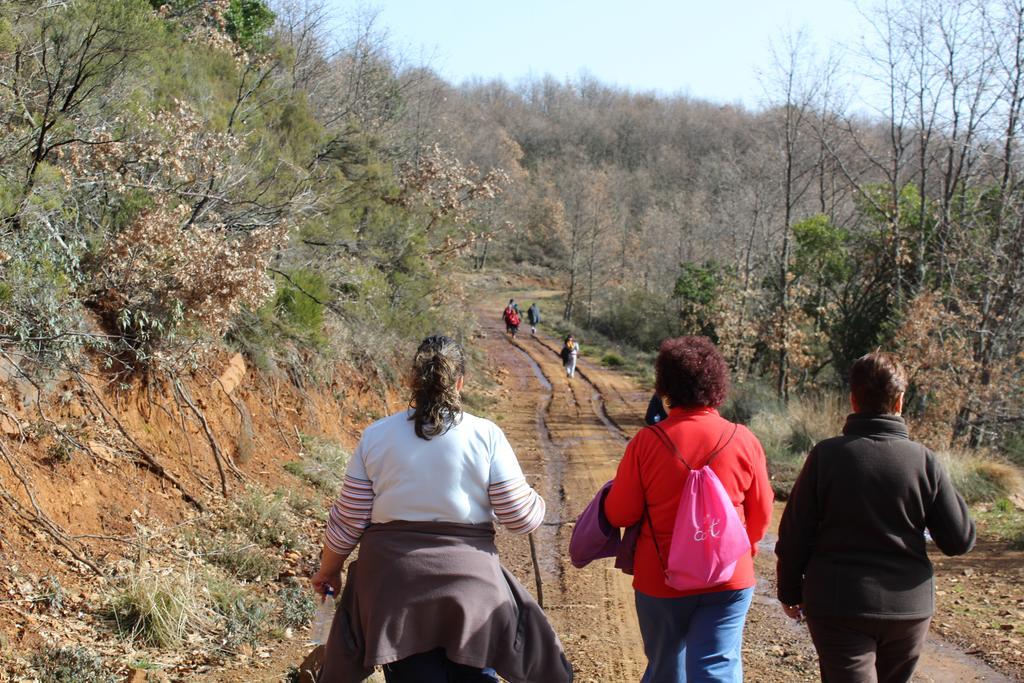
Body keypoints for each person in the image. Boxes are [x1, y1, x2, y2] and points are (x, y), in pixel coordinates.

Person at [311, 335, 572, 683]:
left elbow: (348, 519)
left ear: (411, 382)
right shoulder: (486, 435)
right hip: (470, 589)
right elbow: (519, 517)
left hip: (392, 588)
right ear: (461, 382)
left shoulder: (376, 435)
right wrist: (536, 502)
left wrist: (330, 570)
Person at [775, 351, 975, 683]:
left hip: (838, 604)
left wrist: (789, 591)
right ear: (899, 402)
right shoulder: (924, 461)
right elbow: (959, 540)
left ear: (853, 400)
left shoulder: (826, 456)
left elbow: (795, 533)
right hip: (908, 609)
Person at [603, 336, 773, 682]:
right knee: (718, 667)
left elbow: (620, 514)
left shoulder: (645, 443)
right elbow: (762, 514)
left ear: (665, 386)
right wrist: (744, 547)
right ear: (717, 382)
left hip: (662, 579)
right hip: (729, 577)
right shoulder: (744, 439)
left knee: (667, 668)